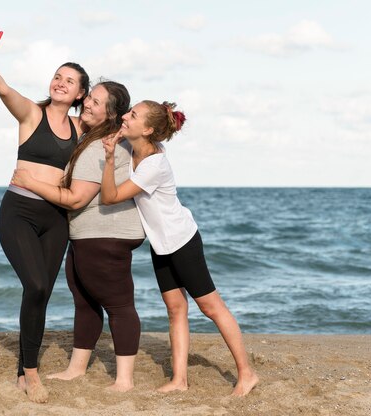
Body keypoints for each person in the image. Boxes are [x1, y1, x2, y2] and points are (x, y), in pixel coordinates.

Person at [100, 100, 259, 396]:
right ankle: (179, 380)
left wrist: (109, 159)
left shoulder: (153, 165)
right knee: (175, 310)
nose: (125, 116)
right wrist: (120, 136)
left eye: (132, 115)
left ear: (148, 129)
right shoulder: (140, 146)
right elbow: (124, 130)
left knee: (211, 307)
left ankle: (247, 373)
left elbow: (110, 197)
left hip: (182, 241)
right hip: (161, 244)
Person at [0, 30, 90, 403]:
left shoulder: (80, 129)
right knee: (36, 285)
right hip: (18, 211)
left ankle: (24, 369)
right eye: (57, 76)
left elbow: (112, 125)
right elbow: (3, 88)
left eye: (69, 81)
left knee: (41, 293)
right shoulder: (31, 113)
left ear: (80, 94)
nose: (60, 82)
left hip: (56, 218)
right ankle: (32, 375)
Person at [11, 80, 145, 392]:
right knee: (84, 301)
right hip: (88, 234)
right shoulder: (94, 140)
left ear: (111, 114)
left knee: (119, 305)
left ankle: (124, 380)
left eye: (97, 102)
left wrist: (29, 182)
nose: (88, 104)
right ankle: (77, 368)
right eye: (90, 98)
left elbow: (75, 199)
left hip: (105, 235)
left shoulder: (100, 147)